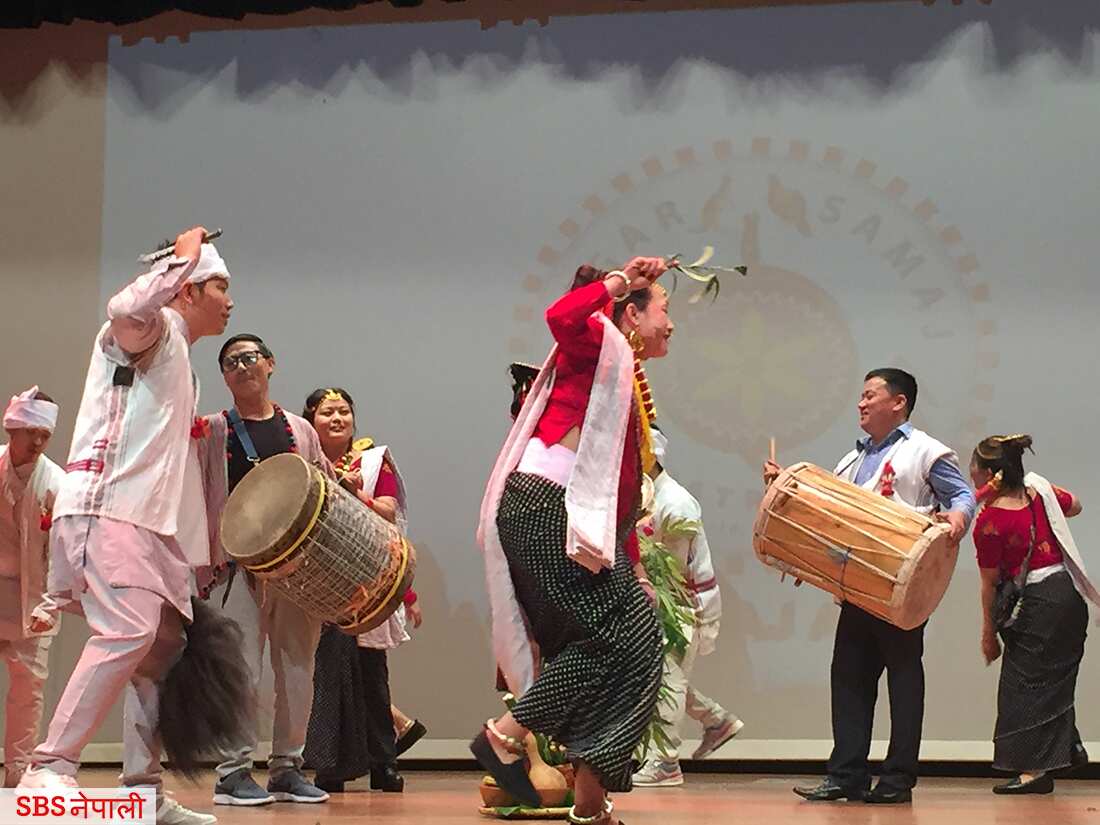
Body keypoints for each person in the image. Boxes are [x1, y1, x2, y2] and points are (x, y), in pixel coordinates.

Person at [19, 227, 231, 825]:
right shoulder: (151, 330)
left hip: (152, 526)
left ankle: (142, 793)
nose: (230, 300)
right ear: (186, 290)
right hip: (109, 510)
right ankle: (51, 765)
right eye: (218, 285)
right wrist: (183, 258)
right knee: (130, 630)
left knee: (161, 650)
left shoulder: (181, 357)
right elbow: (124, 308)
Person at [475, 257, 672, 825]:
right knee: (626, 632)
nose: (671, 323)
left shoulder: (622, 378)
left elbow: (623, 497)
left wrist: (634, 571)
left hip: (564, 517)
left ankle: (589, 802)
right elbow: (560, 314)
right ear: (630, 313)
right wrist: (615, 284)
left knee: (627, 648)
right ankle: (506, 736)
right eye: (663, 308)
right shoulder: (594, 343)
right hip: (544, 506)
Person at [764, 368, 975, 804]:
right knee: (849, 679)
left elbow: (962, 496)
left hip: (903, 584)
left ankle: (897, 780)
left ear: (898, 402)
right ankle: (847, 775)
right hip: (859, 587)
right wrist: (788, 491)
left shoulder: (926, 451)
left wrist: (958, 518)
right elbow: (831, 519)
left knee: (902, 678)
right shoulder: (850, 460)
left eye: (869, 395)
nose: (860, 403)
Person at [197, 334, 329, 807]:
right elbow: (197, 498)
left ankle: (287, 768)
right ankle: (232, 772)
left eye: (250, 357)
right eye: (231, 362)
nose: (242, 366)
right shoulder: (212, 431)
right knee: (241, 671)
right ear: (224, 376)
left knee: (298, 669)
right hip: (236, 569)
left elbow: (323, 490)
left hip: (296, 570)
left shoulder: (301, 429)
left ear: (271, 364)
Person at [300, 387, 422, 793]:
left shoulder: (372, 461)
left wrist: (357, 493)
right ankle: (330, 766)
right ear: (310, 420)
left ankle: (383, 764)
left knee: (373, 675)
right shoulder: (303, 464)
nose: (337, 419)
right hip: (318, 584)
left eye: (344, 412)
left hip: (368, 583)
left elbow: (389, 513)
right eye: (327, 412)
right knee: (331, 673)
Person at [969, 434, 1099, 794]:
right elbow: (1075, 506)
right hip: (1067, 596)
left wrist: (987, 632)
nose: (972, 473)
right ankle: (1067, 748)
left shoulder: (990, 520)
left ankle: (1034, 771)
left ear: (990, 474)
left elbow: (989, 584)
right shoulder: (1040, 491)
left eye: (975, 467)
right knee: (1053, 680)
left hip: (1038, 601)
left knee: (1024, 686)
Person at [631, 428, 742, 788]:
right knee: (659, 677)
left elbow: (674, 570)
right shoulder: (644, 497)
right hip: (653, 602)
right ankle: (714, 719)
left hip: (678, 605)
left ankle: (665, 762)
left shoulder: (675, 502)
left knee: (667, 678)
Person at [0, 388, 64, 787]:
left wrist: (51, 605)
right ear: (12, 428)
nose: (37, 443)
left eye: (45, 434)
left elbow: (62, 551)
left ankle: (18, 772)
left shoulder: (58, 482)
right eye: (30, 433)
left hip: (31, 597)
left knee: (28, 688)